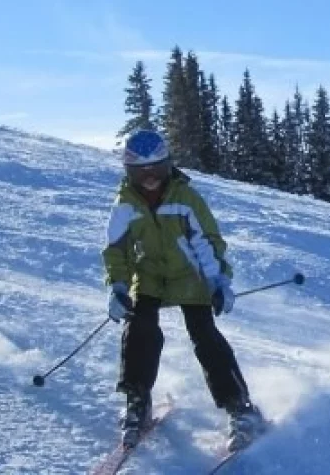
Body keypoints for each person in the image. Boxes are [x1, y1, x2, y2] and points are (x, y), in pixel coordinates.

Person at [101, 129, 265, 451]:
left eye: (157, 170)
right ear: (129, 172)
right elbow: (117, 250)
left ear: (168, 167)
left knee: (204, 334)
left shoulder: (185, 198)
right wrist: (119, 287)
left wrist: (218, 281)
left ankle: (240, 408)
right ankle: (138, 400)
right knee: (140, 329)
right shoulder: (125, 204)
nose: (150, 179)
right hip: (149, 277)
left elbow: (208, 242)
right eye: (141, 172)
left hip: (189, 277)